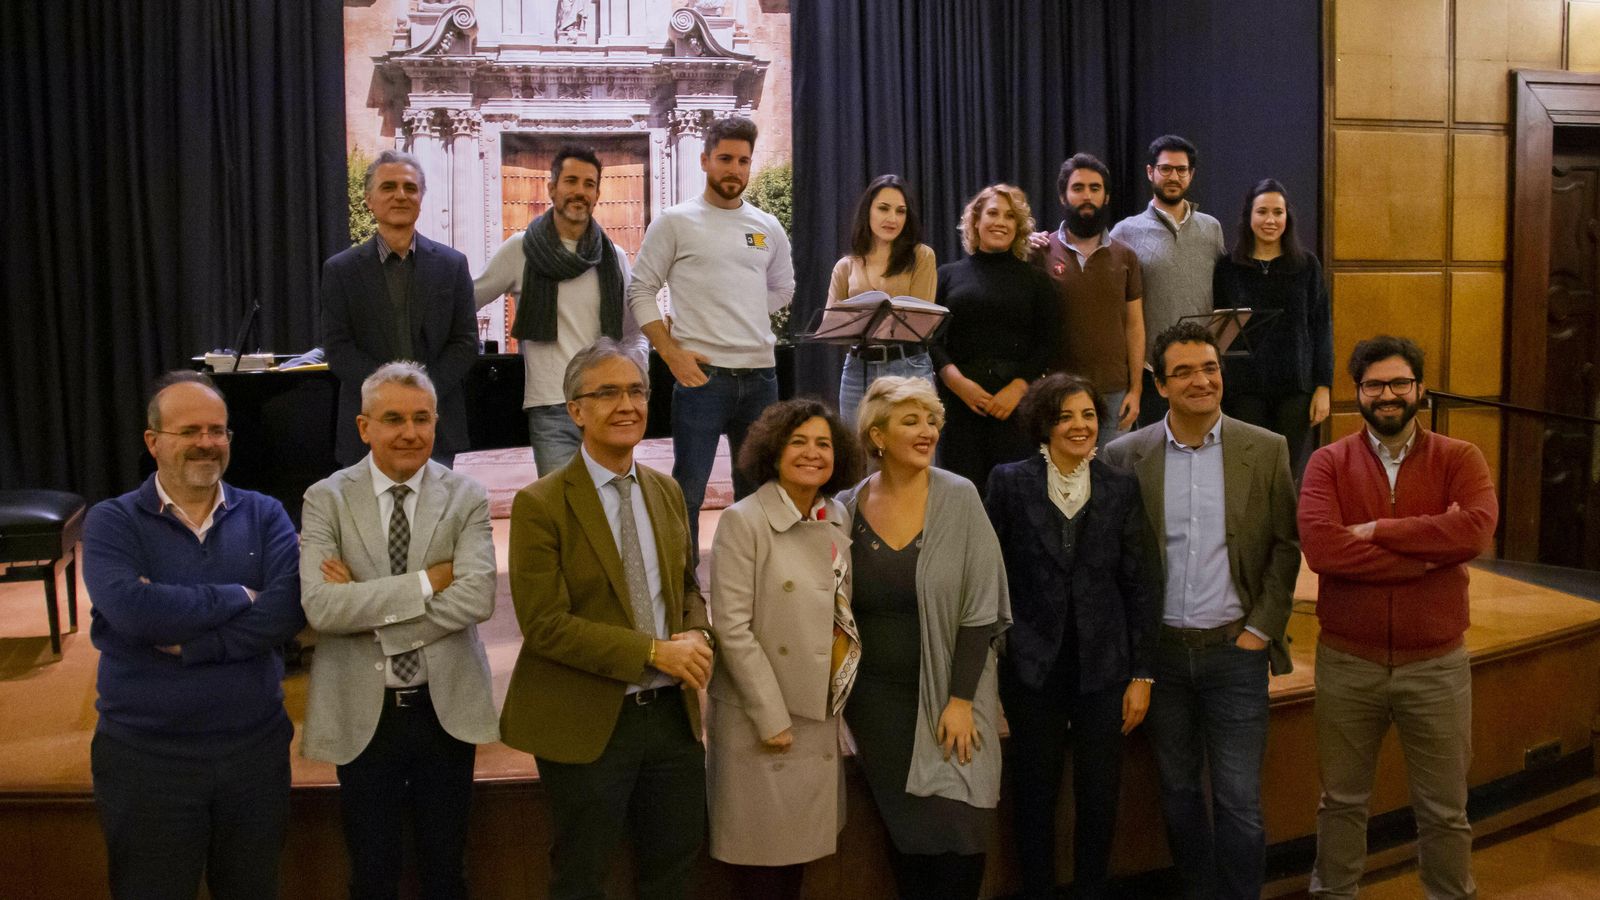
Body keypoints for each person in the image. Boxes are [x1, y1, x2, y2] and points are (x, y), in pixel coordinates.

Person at [499, 338, 715, 900]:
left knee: (672, 876)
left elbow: (686, 587)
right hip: (588, 719)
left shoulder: (667, 491)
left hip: (670, 719)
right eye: (609, 393)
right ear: (575, 410)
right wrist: (653, 651)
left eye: (637, 391)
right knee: (581, 878)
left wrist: (696, 633)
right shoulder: (541, 504)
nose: (627, 405)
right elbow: (545, 625)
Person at [81, 371, 305, 899]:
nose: (207, 442)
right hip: (147, 759)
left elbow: (286, 611)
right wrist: (240, 594)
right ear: (153, 441)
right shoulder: (112, 521)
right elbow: (135, 613)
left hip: (255, 753)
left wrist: (196, 641)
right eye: (189, 431)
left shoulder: (265, 513)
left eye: (217, 430)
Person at [1102, 321, 1300, 900]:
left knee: (1238, 800)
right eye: (1184, 372)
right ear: (1160, 385)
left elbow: (1286, 547)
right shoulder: (1125, 455)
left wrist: (1260, 631)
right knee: (1179, 792)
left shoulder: (1266, 448)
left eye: (1210, 368)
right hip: (1160, 658)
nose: (1201, 380)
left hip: (1235, 653)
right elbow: (1114, 561)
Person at [1299, 336, 1497, 900]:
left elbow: (1475, 531)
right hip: (1347, 663)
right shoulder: (1327, 462)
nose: (1387, 395)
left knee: (1445, 810)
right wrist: (1429, 556)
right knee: (1340, 804)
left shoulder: (1461, 458)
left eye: (1399, 383)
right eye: (1374, 385)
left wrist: (1381, 532)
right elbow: (1323, 550)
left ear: (1420, 389)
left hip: (1436, 667)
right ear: (1357, 393)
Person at [299, 361, 500, 900]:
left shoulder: (467, 496)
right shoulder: (326, 498)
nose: (410, 432)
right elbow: (322, 608)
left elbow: (478, 598)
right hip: (363, 713)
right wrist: (428, 582)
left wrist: (366, 608)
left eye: (421, 418)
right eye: (393, 419)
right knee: (372, 876)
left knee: (446, 874)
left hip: (444, 708)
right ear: (364, 427)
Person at [983, 373, 1161, 900]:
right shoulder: (1008, 482)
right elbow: (990, 575)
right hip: (1031, 666)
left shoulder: (1120, 486)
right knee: (1034, 795)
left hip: (1104, 668)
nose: (1080, 425)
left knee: (1099, 796)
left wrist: (1143, 673)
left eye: (1087, 415)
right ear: (1045, 425)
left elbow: (1142, 584)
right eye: (1065, 417)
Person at [837, 376, 1011, 900]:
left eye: (932, 420)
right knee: (910, 841)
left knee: (962, 831)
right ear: (878, 436)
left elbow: (982, 608)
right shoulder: (846, 507)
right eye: (910, 421)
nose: (927, 431)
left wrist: (960, 699)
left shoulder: (959, 496)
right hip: (878, 707)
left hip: (955, 695)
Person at [705, 399, 864, 899]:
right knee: (761, 872)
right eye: (799, 442)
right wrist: (771, 715)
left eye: (823, 444)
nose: (813, 453)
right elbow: (732, 628)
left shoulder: (836, 514)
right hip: (762, 719)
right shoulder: (743, 520)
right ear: (773, 452)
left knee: (796, 867)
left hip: (816, 713)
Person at [628, 114, 795, 556]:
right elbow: (640, 290)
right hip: (701, 378)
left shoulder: (766, 227)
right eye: (725, 159)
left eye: (743, 161)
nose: (734, 169)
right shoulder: (675, 222)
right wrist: (670, 354)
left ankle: (752, 580)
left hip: (761, 377)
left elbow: (783, 289)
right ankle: (684, 589)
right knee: (688, 492)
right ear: (704, 161)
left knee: (758, 494)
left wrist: (739, 309)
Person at [472, 144, 646, 476]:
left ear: (597, 195)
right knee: (562, 503)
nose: (580, 191)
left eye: (589, 184)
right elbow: (467, 300)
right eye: (571, 181)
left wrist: (635, 380)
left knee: (610, 499)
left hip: (607, 403)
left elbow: (633, 332)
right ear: (552, 188)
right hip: (551, 407)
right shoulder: (520, 249)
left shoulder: (615, 258)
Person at [322, 149, 479, 467]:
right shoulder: (341, 270)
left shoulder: (452, 265)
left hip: (436, 424)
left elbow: (465, 343)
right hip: (368, 425)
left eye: (410, 188)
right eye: (389, 187)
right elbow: (338, 348)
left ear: (421, 198)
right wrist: (389, 395)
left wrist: (420, 394)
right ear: (369, 200)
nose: (401, 195)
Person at [930, 183, 1058, 497]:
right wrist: (958, 384)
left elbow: (1047, 342)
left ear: (1019, 227)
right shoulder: (946, 275)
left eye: (1010, 216)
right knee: (961, 496)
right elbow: (931, 338)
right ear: (976, 221)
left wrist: (1018, 388)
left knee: (1014, 499)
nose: (1000, 222)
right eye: (992, 213)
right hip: (959, 406)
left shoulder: (1037, 280)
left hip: (1016, 407)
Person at [1211, 178, 1332, 476]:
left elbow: (1321, 327)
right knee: (1248, 470)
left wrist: (1323, 386)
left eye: (1278, 212)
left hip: (1295, 387)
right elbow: (1219, 332)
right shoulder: (1227, 267)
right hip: (1244, 389)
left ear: (1287, 217)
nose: (1270, 220)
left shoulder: (1307, 265)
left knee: (1285, 472)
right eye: (1262, 211)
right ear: (1248, 216)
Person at [1110, 135, 1226, 429]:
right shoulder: (1125, 231)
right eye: (1165, 169)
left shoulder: (1211, 229)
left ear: (1191, 174)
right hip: (1152, 372)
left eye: (1181, 169)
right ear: (1150, 172)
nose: (1174, 176)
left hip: (1201, 372)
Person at [1033, 154, 1146, 447]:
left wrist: (1136, 390)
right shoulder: (1040, 251)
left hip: (1114, 392)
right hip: (1056, 390)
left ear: (1106, 197)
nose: (1087, 196)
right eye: (1078, 188)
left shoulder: (1126, 256)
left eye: (1095, 188)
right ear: (1063, 196)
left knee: (1110, 469)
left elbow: (1135, 326)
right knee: (1061, 470)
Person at [827, 174, 940, 425]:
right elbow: (833, 329)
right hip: (858, 368)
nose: (892, 218)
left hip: (907, 365)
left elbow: (919, 325)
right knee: (856, 447)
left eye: (901, 211)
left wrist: (863, 324)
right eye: (883, 208)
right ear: (867, 211)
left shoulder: (921, 256)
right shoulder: (846, 265)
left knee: (912, 445)